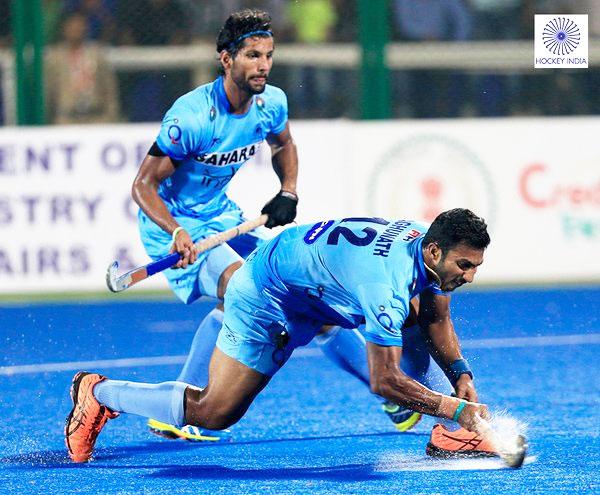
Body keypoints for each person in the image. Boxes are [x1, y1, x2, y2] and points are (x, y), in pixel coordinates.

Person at [65, 208, 501, 463]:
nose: (471, 276)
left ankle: (447, 428)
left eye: (476, 266)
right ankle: (100, 394)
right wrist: (454, 404)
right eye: (465, 266)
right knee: (215, 411)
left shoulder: (421, 245)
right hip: (268, 295)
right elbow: (382, 380)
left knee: (419, 313)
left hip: (308, 282)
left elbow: (435, 313)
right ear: (434, 251)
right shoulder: (383, 285)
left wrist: (459, 372)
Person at [127, 8, 298, 442]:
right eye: (252, 56)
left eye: (268, 55)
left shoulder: (270, 103)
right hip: (173, 224)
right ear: (226, 59)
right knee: (242, 288)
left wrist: (288, 190)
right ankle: (188, 404)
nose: (263, 65)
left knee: (291, 285)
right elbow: (143, 185)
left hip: (221, 217)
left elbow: (284, 144)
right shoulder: (192, 117)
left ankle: (388, 399)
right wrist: (176, 233)